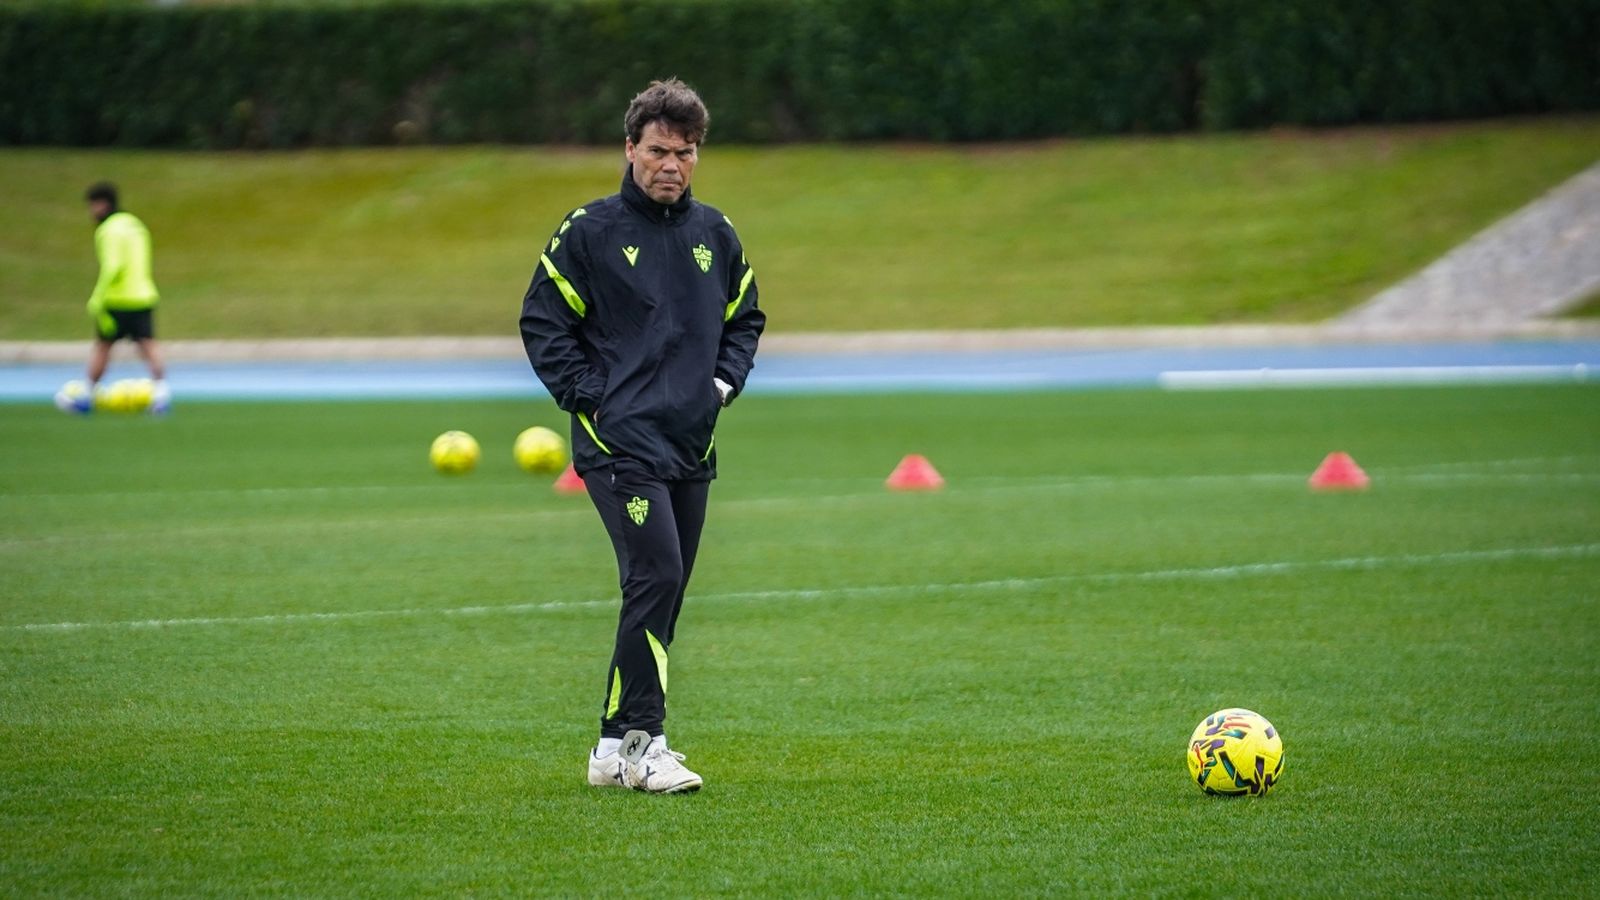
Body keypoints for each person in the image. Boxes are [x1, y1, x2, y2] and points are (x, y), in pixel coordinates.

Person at [520, 79, 765, 794]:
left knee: (665, 589)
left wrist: (719, 387)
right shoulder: (590, 232)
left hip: (690, 444)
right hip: (618, 445)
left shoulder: (714, 234)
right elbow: (544, 323)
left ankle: (607, 746)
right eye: (658, 151)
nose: (672, 165)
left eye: (685, 153)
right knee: (655, 576)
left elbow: (745, 318)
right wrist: (593, 399)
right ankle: (641, 745)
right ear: (630, 149)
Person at [84, 182, 169, 413]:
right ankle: (161, 394)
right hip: (143, 294)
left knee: (103, 345)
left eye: (92, 206)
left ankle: (89, 394)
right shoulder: (135, 225)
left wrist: (98, 295)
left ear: (102, 204)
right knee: (148, 343)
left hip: (116, 298)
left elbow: (113, 266)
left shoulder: (108, 229)